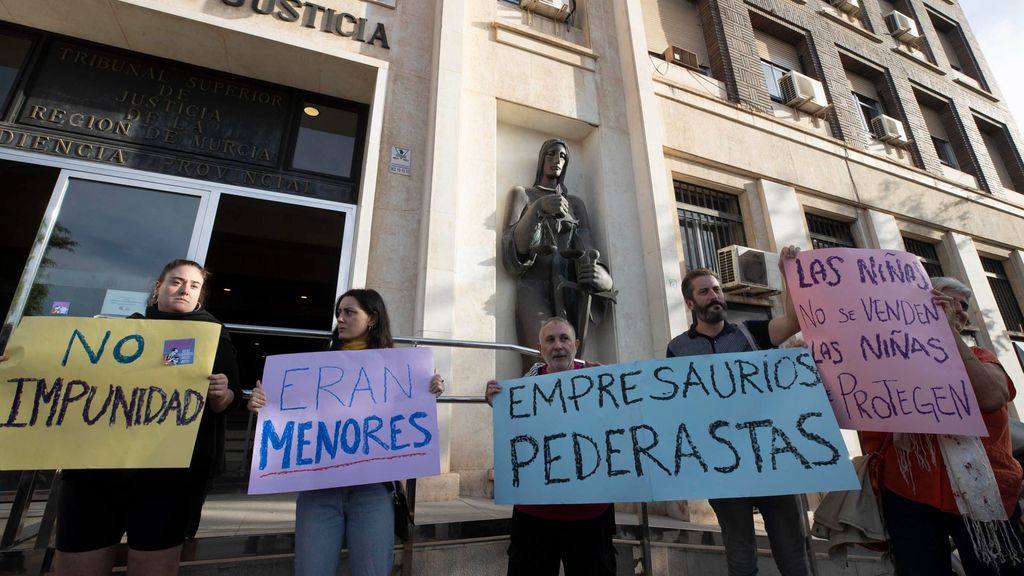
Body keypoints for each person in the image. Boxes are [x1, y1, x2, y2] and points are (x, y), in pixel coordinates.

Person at [0, 259, 241, 576]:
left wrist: (223, 394)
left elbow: (229, 398)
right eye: (176, 282)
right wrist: (19, 365)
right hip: (96, 474)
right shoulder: (121, 332)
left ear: (201, 296)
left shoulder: (213, 336)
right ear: (159, 287)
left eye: (194, 286)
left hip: (168, 479)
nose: (185, 290)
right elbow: (74, 375)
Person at [247, 288, 444, 576]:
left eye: (350, 312)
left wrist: (431, 388)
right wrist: (263, 403)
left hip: (373, 491)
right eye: (339, 313)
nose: (341, 319)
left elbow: (407, 412)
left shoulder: (400, 367)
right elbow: (288, 411)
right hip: (318, 491)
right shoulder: (313, 368)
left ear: (372, 318)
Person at [861, 277, 1024, 576]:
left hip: (985, 491)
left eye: (962, 308)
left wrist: (945, 331)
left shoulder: (980, 357)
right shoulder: (892, 362)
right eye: (946, 303)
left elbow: (990, 396)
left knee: (996, 569)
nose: (959, 312)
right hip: (910, 492)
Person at [665, 246, 807, 576]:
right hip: (723, 465)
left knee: (792, 554)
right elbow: (676, 406)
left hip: (772, 459)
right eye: (705, 291)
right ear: (690, 303)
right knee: (740, 555)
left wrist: (788, 275)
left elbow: (796, 320)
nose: (714, 295)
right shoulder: (677, 349)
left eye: (717, 289)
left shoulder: (753, 331)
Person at [485, 316, 617, 576]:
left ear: (576, 345)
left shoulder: (598, 378)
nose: (558, 346)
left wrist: (609, 390)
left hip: (590, 514)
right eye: (550, 339)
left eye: (564, 338)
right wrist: (498, 404)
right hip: (534, 514)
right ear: (539, 349)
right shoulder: (522, 388)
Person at [502, 138, 615, 363]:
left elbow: (587, 247)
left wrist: (604, 279)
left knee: (568, 360)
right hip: (533, 288)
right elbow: (512, 248)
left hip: (570, 292)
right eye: (551, 154)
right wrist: (537, 209)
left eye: (562, 156)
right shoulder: (522, 194)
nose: (556, 160)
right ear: (541, 159)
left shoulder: (575, 203)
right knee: (541, 358)